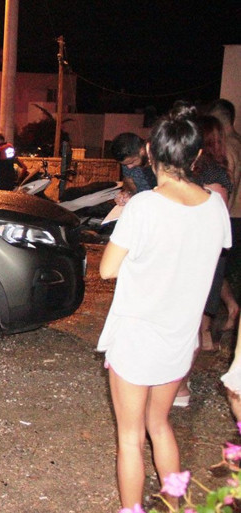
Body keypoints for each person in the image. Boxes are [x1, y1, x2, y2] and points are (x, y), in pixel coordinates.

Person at [97, 104, 231, 510]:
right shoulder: (214, 207)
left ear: (151, 152)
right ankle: (175, 504)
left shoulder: (145, 207)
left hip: (138, 336)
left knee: (130, 437)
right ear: (194, 158)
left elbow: (106, 270)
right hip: (179, 336)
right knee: (161, 424)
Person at [190, 114, 238, 354]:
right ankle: (205, 335)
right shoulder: (220, 169)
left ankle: (202, 336)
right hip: (216, 241)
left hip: (203, 241)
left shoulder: (201, 171)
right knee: (211, 286)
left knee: (203, 290)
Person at [111, 132, 158, 206]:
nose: (129, 167)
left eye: (132, 162)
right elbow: (129, 183)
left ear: (142, 150)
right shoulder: (127, 163)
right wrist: (127, 193)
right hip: (140, 205)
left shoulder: (160, 161)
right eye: (124, 164)